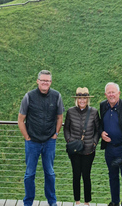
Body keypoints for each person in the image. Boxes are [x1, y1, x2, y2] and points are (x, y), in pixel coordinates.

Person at [18, 70, 64, 206]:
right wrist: (26, 137)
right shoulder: (29, 96)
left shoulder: (57, 96)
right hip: (32, 142)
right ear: (37, 81)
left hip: (49, 141)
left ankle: (52, 202)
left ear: (51, 82)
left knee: (49, 173)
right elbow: (20, 120)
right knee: (29, 174)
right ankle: (28, 203)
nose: (45, 83)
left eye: (48, 81)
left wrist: (55, 134)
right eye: (43, 80)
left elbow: (60, 117)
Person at [64, 87, 101, 206]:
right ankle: (77, 201)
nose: (82, 100)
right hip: (74, 150)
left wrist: (94, 143)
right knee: (76, 175)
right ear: (76, 99)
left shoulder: (94, 112)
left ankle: (87, 201)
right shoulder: (70, 112)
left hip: (89, 150)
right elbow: (66, 128)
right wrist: (69, 141)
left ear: (87, 99)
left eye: (84, 98)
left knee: (86, 175)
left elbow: (97, 130)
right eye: (80, 98)